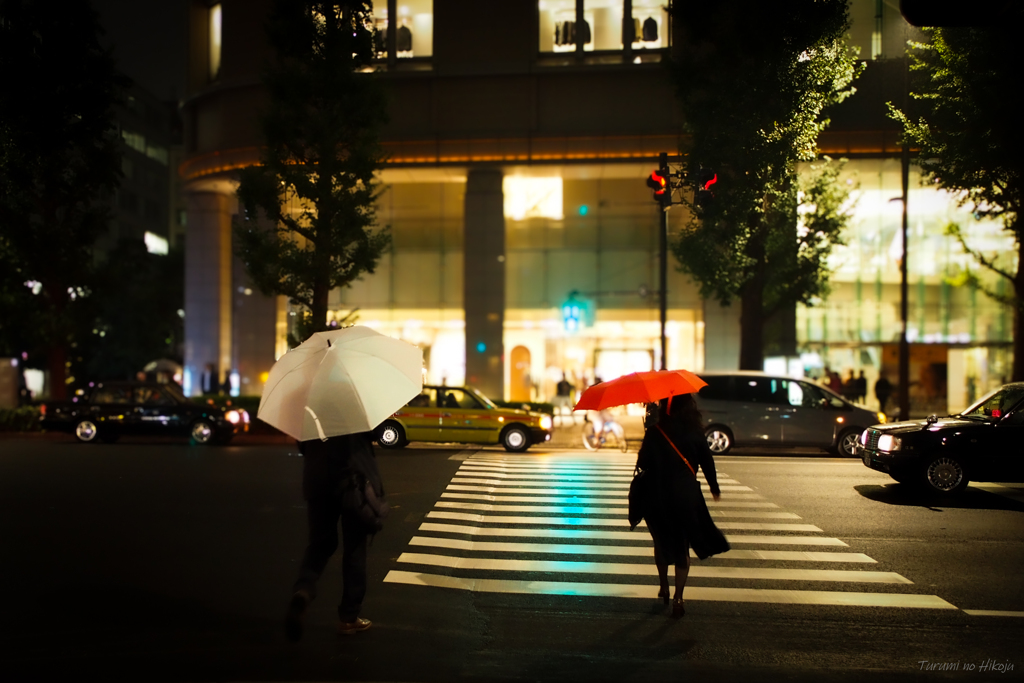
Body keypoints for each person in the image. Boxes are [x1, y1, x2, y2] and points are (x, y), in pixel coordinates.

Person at [636, 394, 729, 618]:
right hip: (685, 495)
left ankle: (663, 586)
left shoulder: (655, 431)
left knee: (660, 540)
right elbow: (707, 462)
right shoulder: (695, 432)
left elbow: (642, 463)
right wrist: (714, 487)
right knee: (682, 545)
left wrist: (649, 429)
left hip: (657, 495)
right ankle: (678, 597)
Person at [285, 431, 384, 641]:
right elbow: (377, 432)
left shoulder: (310, 408)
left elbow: (303, 445)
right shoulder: (354, 405)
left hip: (317, 481)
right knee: (355, 548)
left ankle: (303, 590)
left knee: (319, 544)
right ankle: (349, 617)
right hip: (352, 482)